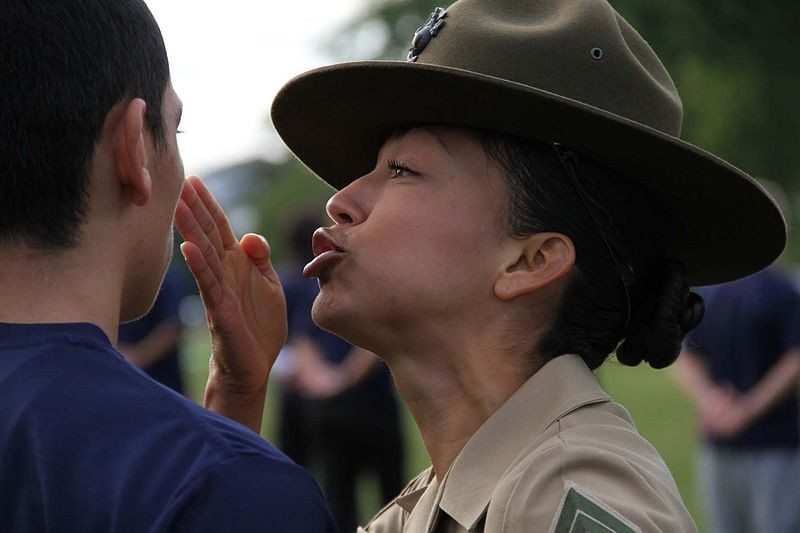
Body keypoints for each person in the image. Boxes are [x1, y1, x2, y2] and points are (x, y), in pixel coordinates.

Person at [175, 0, 786, 531]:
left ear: (530, 260)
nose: (342, 199)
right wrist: (235, 396)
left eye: (402, 171)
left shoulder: (568, 496)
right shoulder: (438, 503)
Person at [0, 1, 335, 531]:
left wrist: (234, 401)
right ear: (132, 147)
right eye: (174, 131)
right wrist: (228, 467)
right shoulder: (224, 486)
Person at [673, 183, 800, 533]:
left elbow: (795, 358)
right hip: (721, 443)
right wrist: (711, 400)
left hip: (771, 445)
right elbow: (683, 352)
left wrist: (743, 409)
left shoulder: (779, 290)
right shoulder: (713, 290)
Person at [277, 213, 406, 532]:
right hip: (365, 402)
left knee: (340, 494)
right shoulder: (355, 278)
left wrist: (324, 381)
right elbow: (377, 340)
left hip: (333, 400)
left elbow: (302, 340)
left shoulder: (308, 282)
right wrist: (342, 379)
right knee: (392, 495)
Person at [118, 266, 188, 394]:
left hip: (160, 381)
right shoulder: (116, 279)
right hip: (125, 377)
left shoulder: (165, 279)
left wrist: (137, 357)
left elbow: (172, 327)